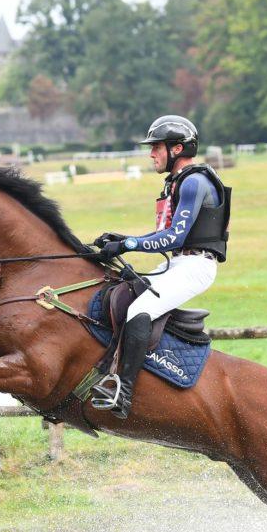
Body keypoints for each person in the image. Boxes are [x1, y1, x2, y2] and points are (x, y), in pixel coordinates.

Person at [90, 115, 231, 419]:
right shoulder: (178, 181)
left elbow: (175, 237)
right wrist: (124, 238)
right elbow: (164, 235)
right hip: (180, 262)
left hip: (195, 267)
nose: (151, 153)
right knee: (120, 293)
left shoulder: (194, 182)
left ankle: (123, 392)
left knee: (139, 311)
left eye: (156, 147)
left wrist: (128, 245)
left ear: (177, 148)